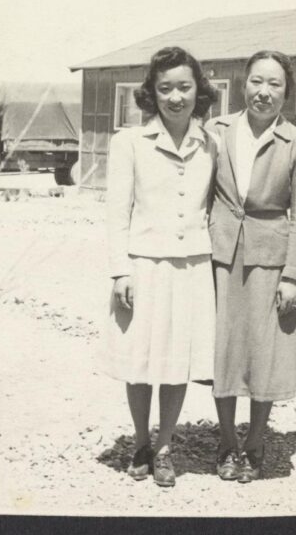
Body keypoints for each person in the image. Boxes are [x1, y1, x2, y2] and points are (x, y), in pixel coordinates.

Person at [101, 46, 220, 488]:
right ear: (152, 93)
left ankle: (165, 446)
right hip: (143, 265)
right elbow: (117, 211)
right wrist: (120, 271)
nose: (175, 97)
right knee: (140, 360)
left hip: (191, 266)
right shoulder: (127, 142)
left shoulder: (210, 142)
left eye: (184, 87)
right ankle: (140, 442)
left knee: (177, 361)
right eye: (165, 88)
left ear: (198, 91)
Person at [206, 50, 296, 483]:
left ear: (286, 92)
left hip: (271, 256)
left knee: (264, 350)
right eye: (256, 81)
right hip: (220, 252)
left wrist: (291, 276)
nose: (263, 92)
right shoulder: (216, 131)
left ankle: (255, 442)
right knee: (225, 348)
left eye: (274, 84)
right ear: (242, 84)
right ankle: (227, 441)